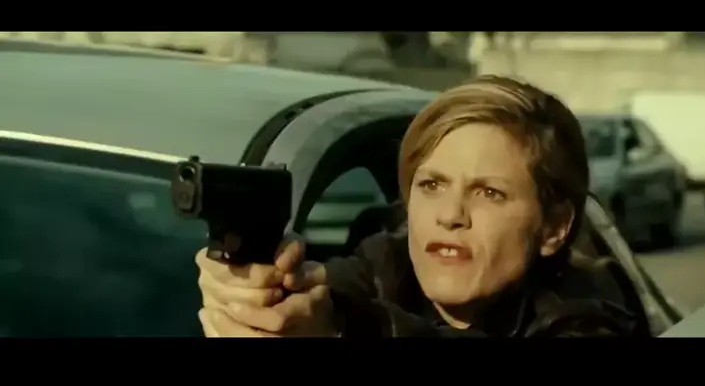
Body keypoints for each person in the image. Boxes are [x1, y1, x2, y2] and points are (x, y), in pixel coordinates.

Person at [196, 75, 643, 338]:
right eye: (432, 185)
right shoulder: (383, 264)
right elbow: (326, 292)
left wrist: (339, 326)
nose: (450, 215)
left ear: (554, 227)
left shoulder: (587, 318)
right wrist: (256, 288)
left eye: (489, 193)